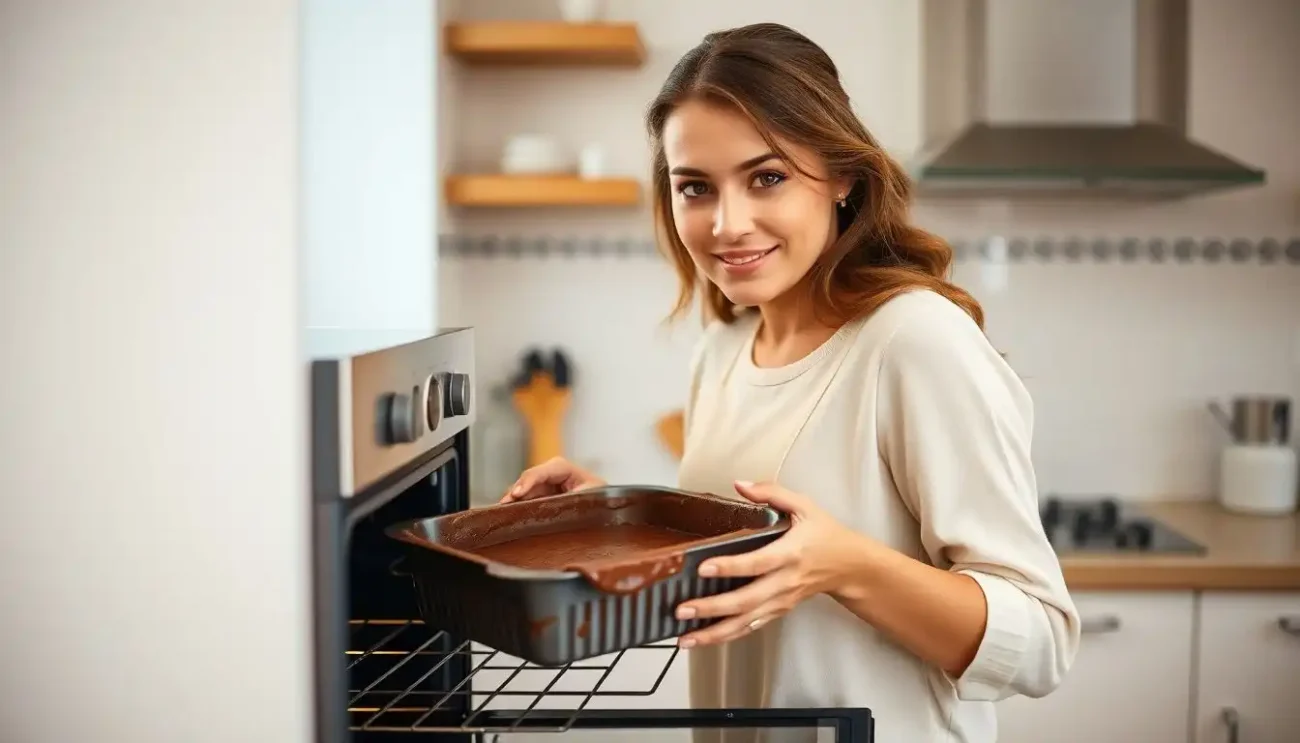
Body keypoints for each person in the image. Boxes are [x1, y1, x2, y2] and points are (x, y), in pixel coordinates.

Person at [500, 22, 1079, 743]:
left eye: (766, 177)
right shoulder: (723, 347)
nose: (727, 223)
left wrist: (846, 565)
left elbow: (1043, 640)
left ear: (842, 176)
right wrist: (617, 522)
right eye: (695, 188)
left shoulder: (912, 339)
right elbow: (745, 562)